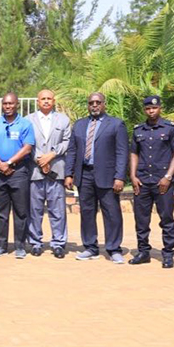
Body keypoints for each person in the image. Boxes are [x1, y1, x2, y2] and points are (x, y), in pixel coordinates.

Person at [64, 92, 128, 263]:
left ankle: (114, 249)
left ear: (104, 104)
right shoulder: (79, 125)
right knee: (87, 212)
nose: (94, 105)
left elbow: (122, 152)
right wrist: (69, 174)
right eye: (91, 102)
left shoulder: (116, 124)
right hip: (84, 175)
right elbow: (72, 151)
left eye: (98, 102)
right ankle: (90, 247)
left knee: (112, 213)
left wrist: (120, 177)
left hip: (107, 176)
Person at [129, 95, 174, 269]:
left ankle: (168, 254)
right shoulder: (138, 130)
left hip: (162, 182)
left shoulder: (171, 128)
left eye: (154, 108)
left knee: (166, 218)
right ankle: (143, 252)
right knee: (141, 220)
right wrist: (133, 176)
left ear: (160, 108)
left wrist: (168, 176)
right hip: (143, 181)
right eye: (148, 108)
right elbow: (134, 154)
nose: (151, 111)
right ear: (145, 110)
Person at [0, 92, 35, 259]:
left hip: (19, 172)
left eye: (11, 104)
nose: (8, 106)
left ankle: (20, 246)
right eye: (5, 104)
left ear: (17, 105)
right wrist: (0, 163)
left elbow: (28, 147)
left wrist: (10, 162)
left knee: (21, 210)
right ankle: (1, 245)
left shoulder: (25, 124)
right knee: (0, 211)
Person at [25, 89, 71, 258]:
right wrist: (39, 159)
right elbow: (25, 143)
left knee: (57, 210)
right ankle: (36, 242)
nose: (45, 101)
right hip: (35, 171)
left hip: (56, 170)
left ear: (53, 101)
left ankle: (58, 243)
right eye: (42, 99)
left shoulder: (63, 120)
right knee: (34, 210)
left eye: (49, 99)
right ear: (37, 101)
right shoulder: (28, 120)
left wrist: (51, 155)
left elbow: (67, 142)